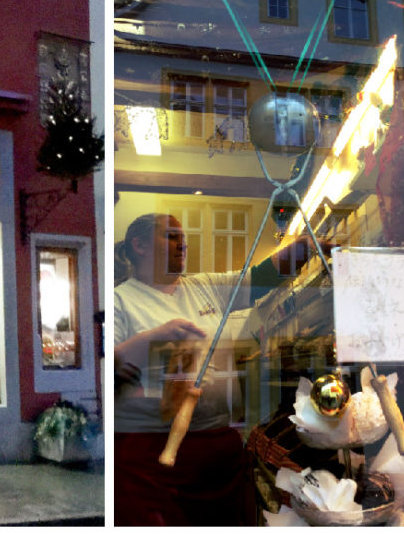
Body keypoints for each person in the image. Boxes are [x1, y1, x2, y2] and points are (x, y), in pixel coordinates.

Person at [113, 212, 324, 525]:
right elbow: (110, 368)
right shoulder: (121, 300)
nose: (182, 243)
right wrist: (157, 336)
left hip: (217, 447)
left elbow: (263, 276)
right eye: (171, 236)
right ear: (140, 245)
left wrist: (306, 247)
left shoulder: (204, 287)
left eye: (183, 237)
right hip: (155, 454)